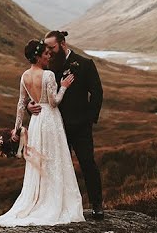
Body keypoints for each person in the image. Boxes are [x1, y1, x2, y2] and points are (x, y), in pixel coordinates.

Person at [0, 39, 85, 227]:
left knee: (41, 161)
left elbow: (21, 104)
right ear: (38, 56)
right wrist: (64, 86)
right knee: (54, 158)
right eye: (46, 54)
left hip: (36, 122)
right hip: (50, 119)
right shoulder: (47, 75)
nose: (49, 57)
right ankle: (53, 200)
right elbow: (54, 101)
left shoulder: (24, 76)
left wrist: (16, 129)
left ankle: (40, 198)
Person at [28, 30, 104, 220]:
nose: (50, 52)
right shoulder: (46, 69)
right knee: (56, 167)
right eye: (47, 49)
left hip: (80, 127)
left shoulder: (85, 64)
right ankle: (57, 206)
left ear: (63, 43)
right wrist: (31, 106)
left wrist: (89, 119)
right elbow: (37, 93)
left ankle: (97, 205)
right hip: (55, 127)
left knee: (87, 163)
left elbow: (97, 93)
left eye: (52, 48)